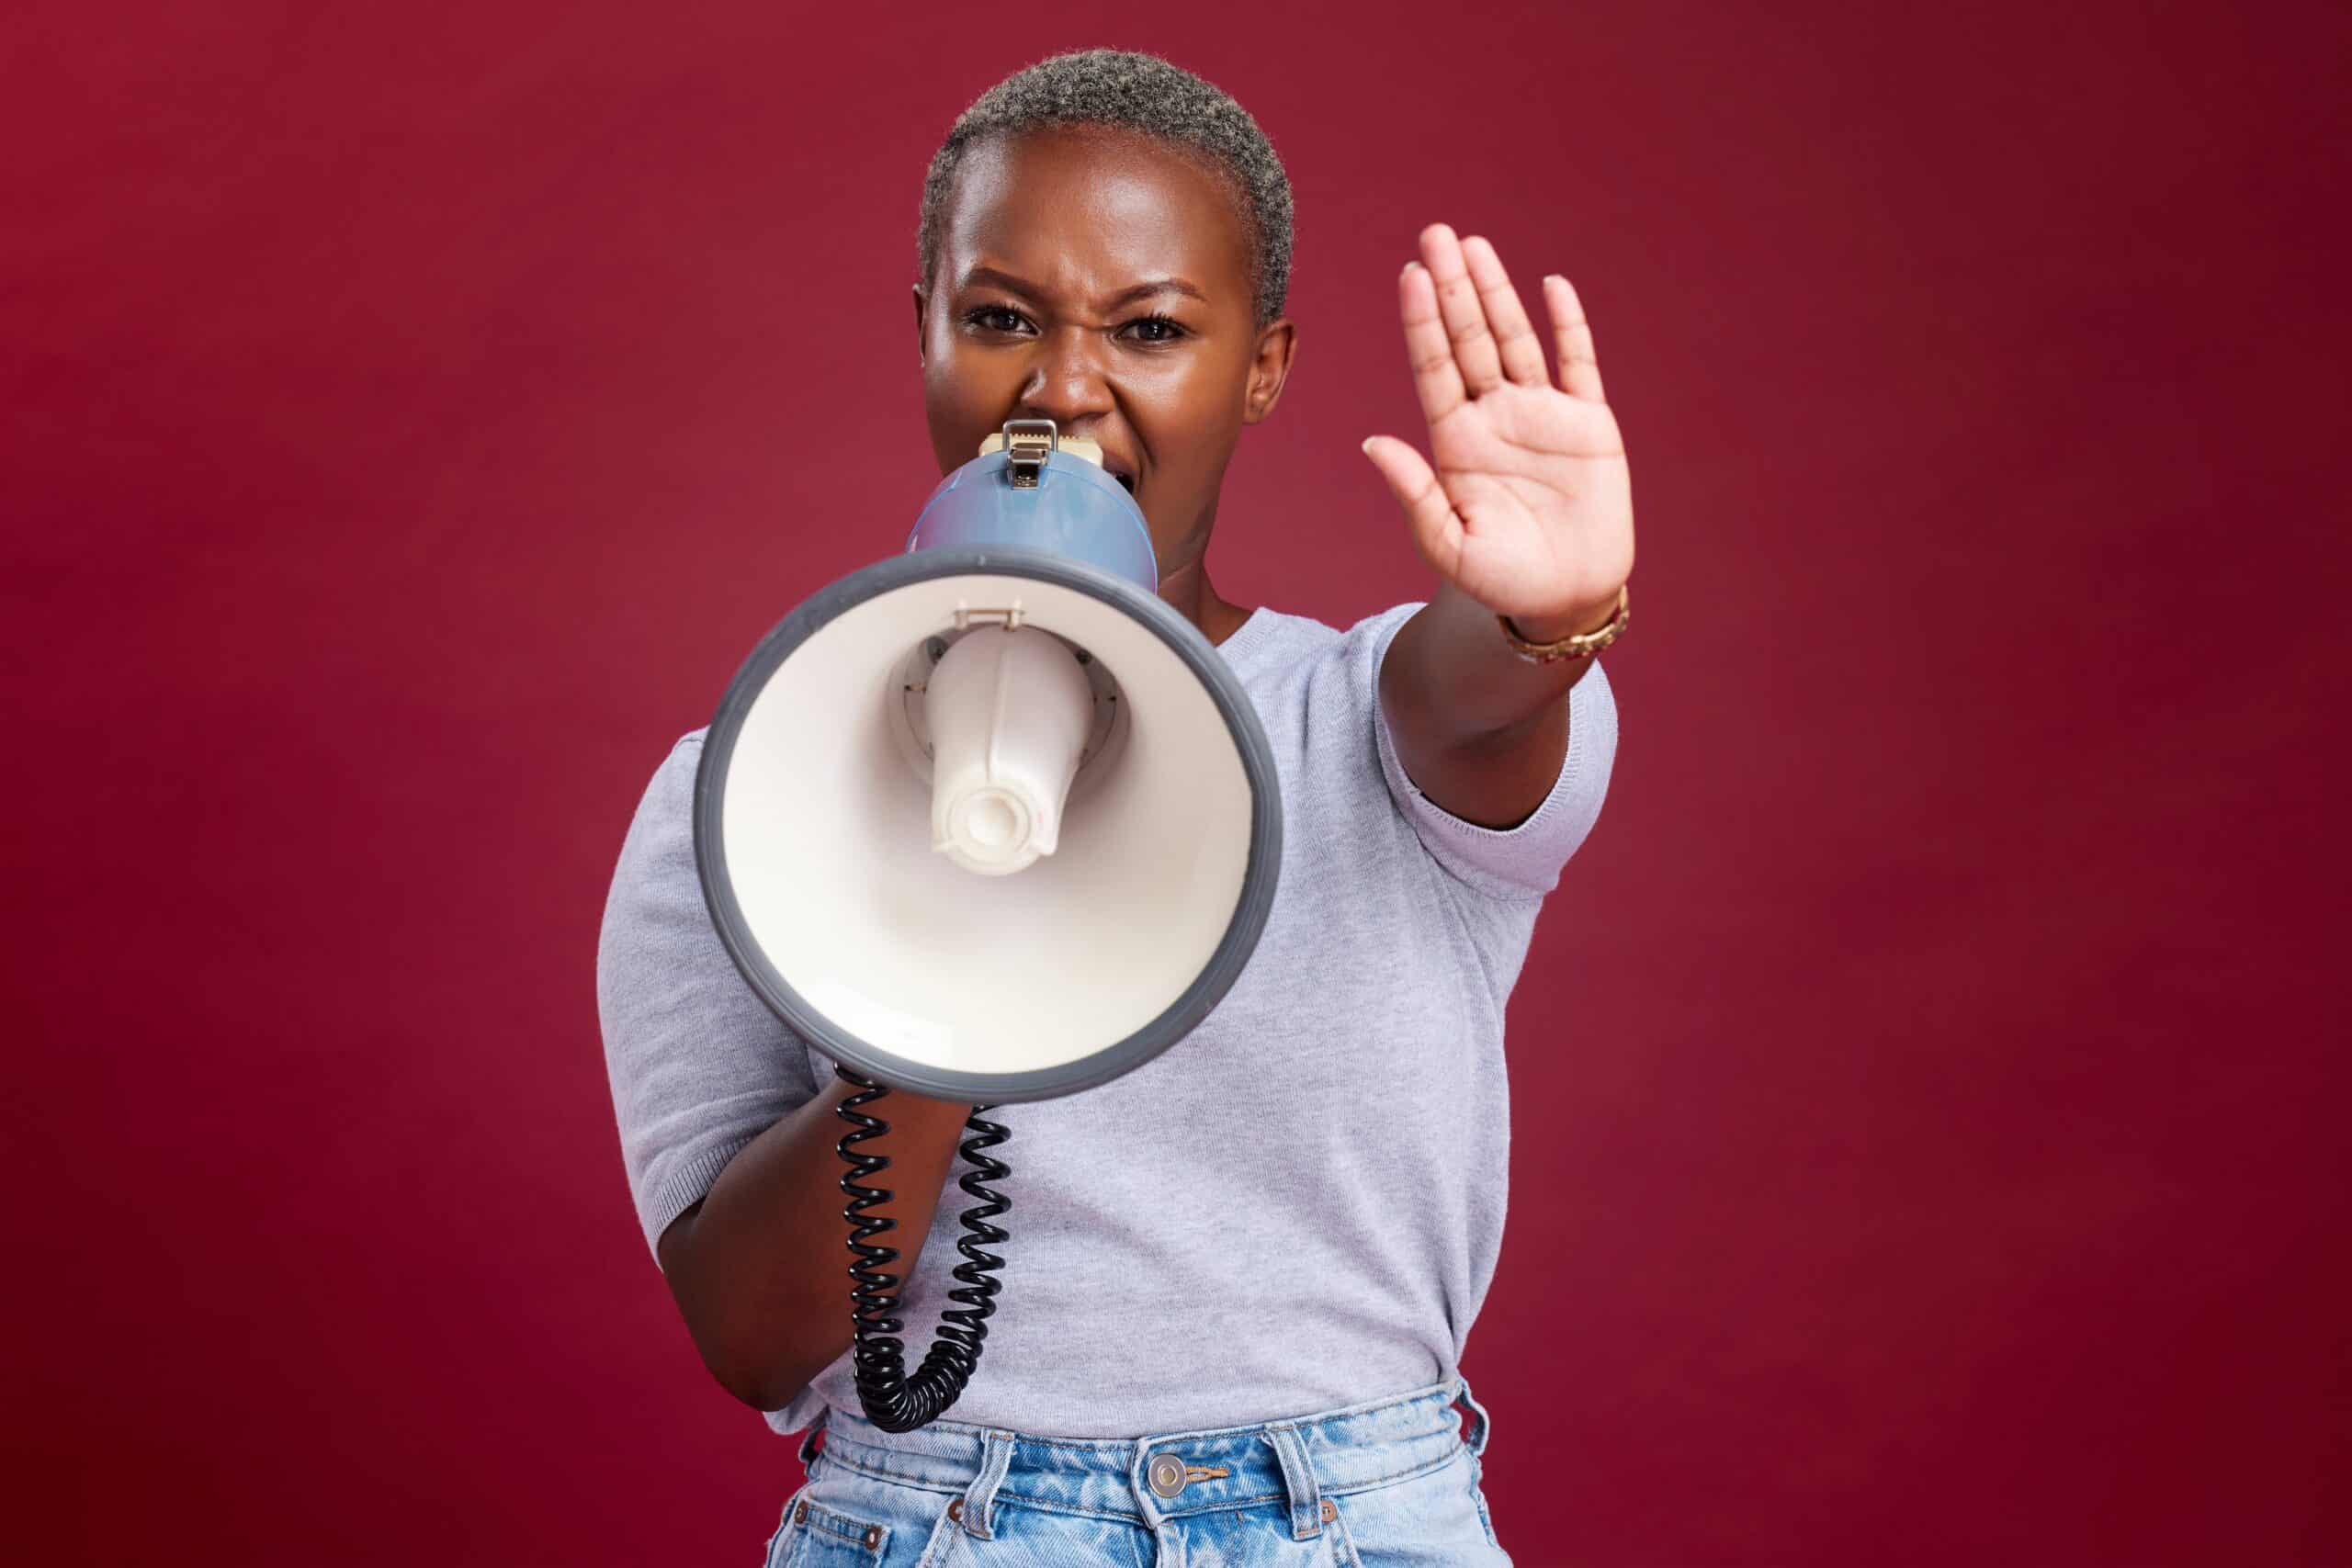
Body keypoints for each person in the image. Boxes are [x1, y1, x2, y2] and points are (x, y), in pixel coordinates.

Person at [597, 47, 1634, 1567]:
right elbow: (751, 1336)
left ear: (1264, 366)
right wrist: (959, 941)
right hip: (934, 1519)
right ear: (928, 333)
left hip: (1361, 1520)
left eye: (1150, 329)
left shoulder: (1364, 719)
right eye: (1000, 318)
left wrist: (1557, 617)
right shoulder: (744, 794)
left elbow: (1486, 697)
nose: (1064, 389)